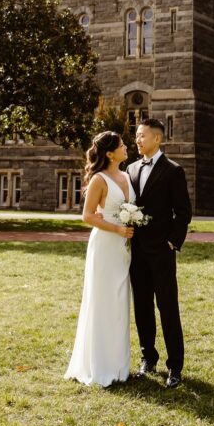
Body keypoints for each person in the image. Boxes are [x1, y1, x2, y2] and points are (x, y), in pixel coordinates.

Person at [64, 131, 135, 387]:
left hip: (124, 246)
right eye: (122, 145)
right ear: (109, 153)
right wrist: (117, 229)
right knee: (103, 300)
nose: (127, 147)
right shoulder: (99, 179)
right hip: (106, 244)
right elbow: (88, 215)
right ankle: (100, 366)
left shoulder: (127, 176)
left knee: (120, 301)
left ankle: (119, 366)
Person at [127, 118, 192, 388]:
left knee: (167, 308)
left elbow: (184, 213)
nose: (138, 139)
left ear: (157, 139)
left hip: (162, 252)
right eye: (137, 135)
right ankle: (148, 358)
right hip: (137, 251)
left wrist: (172, 243)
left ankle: (174, 366)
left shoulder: (173, 171)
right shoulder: (130, 169)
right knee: (142, 307)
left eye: (142, 135)